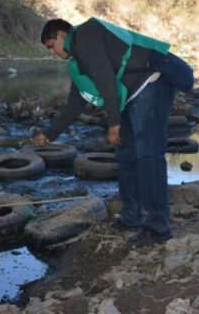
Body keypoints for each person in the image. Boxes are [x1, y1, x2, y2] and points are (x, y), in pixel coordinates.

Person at [30, 17, 178, 247]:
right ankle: (132, 217)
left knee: (148, 154)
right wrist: (49, 134)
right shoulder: (78, 62)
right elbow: (74, 105)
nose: (52, 52)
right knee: (125, 155)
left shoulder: (86, 35)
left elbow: (105, 77)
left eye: (51, 45)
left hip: (151, 82)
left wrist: (113, 122)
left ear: (61, 35)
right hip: (131, 95)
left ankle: (158, 227)